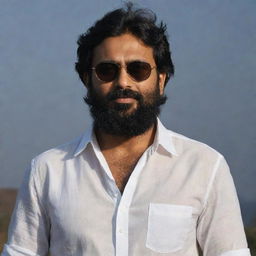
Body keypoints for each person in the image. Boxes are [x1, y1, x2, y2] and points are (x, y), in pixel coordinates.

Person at [2, 3, 251, 256]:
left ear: (161, 80)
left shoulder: (205, 168)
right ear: (87, 80)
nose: (123, 81)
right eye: (107, 70)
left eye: (138, 69)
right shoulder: (47, 172)